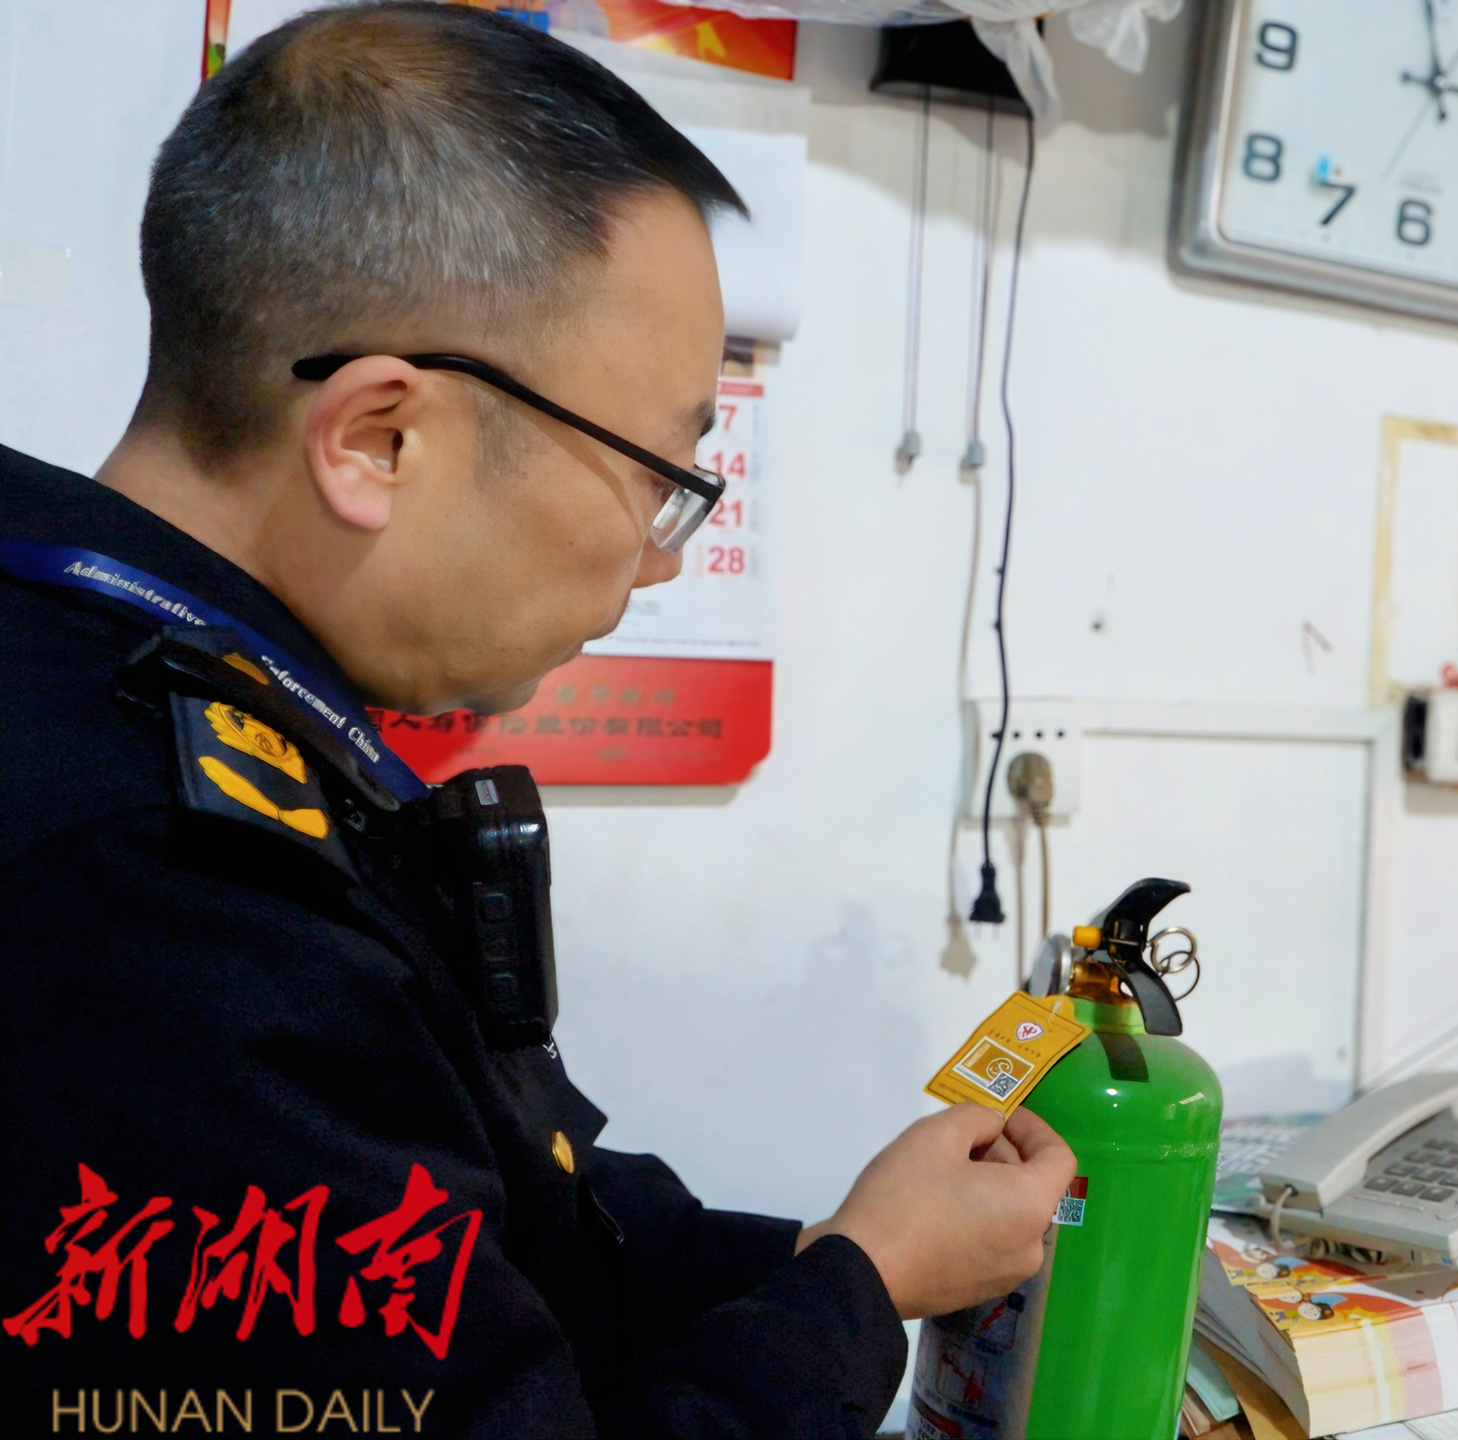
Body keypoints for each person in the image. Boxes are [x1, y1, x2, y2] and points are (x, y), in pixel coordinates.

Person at [0, 5, 1075, 1435]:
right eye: (658, 474)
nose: (663, 558)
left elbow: (489, 1216)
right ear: (379, 439)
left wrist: (846, 1260)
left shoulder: (126, 677)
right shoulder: (163, 898)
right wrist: (863, 1288)